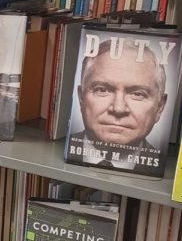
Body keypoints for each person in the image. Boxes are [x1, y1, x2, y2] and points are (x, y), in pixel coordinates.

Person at [67, 38, 168, 172]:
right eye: (102, 90)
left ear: (160, 107)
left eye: (137, 94)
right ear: (81, 98)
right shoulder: (63, 148)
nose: (118, 108)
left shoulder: (162, 167)